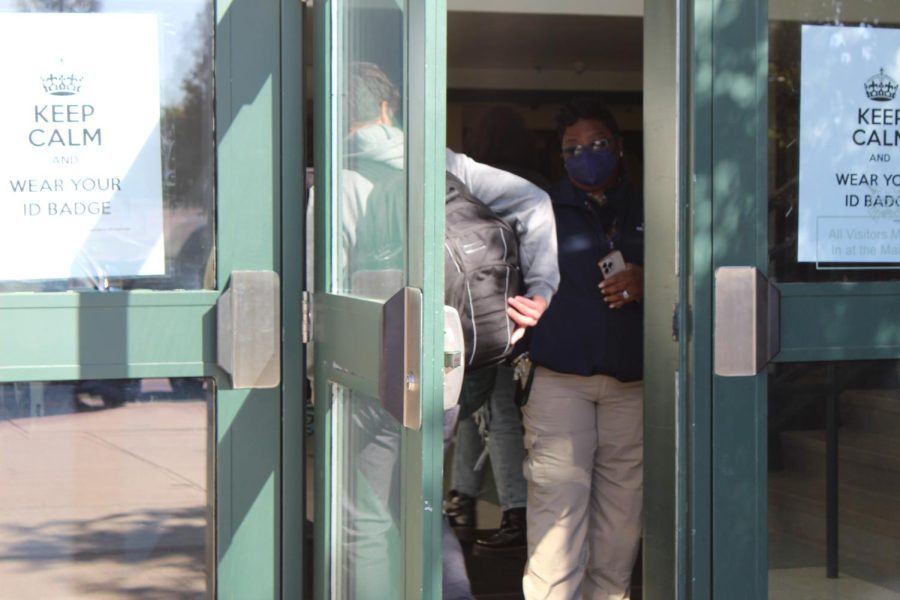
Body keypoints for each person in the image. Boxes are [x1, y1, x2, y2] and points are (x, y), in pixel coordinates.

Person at [313, 62, 558, 599]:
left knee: (366, 516)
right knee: (420, 505)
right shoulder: (444, 164)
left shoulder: (335, 180)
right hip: (443, 364)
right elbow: (535, 203)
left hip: (369, 368)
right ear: (387, 108)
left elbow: (320, 297)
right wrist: (539, 292)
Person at [521, 98, 644, 600]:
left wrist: (650, 281)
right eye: (573, 149)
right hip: (559, 381)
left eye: (595, 145)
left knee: (621, 516)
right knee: (558, 512)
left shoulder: (652, 200)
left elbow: (697, 280)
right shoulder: (539, 206)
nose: (585, 156)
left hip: (633, 384)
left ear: (618, 146)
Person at [445, 106, 548, 554]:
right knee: (493, 416)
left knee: (486, 415)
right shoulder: (529, 184)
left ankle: (493, 509)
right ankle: (475, 503)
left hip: (479, 315)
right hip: (518, 316)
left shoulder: (474, 187)